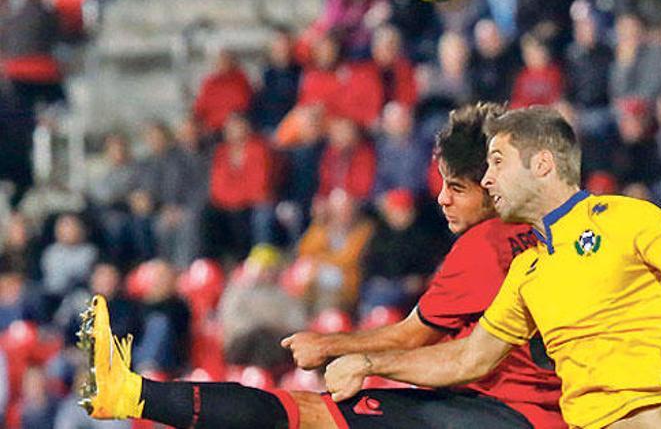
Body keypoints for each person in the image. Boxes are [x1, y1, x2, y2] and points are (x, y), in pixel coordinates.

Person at [76, 103, 566, 429]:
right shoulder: (556, 230)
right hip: (525, 407)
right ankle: (129, 392)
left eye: (457, 188)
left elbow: (416, 337)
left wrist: (331, 347)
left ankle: (130, 393)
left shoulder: (486, 247)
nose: (441, 199)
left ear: (492, 182)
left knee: (307, 414)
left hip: (511, 414)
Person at [324, 106, 661, 429]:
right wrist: (370, 364)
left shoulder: (625, 217)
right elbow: (466, 360)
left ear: (542, 165)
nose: (487, 178)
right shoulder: (527, 272)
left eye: (497, 162)